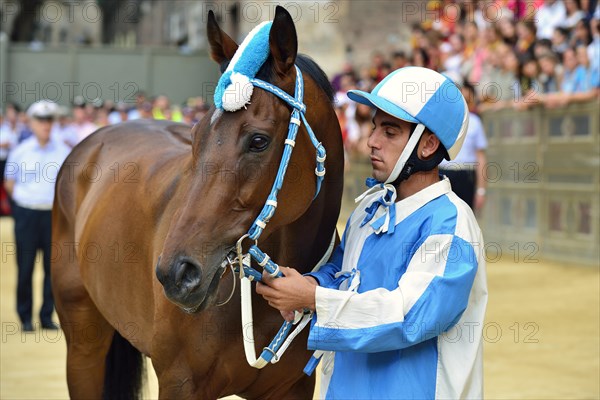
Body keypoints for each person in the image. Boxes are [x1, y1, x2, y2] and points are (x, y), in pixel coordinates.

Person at [257, 67, 488, 399]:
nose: (372, 141)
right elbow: (343, 274)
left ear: (428, 145)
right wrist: (311, 284)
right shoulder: (369, 210)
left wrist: (313, 298)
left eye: (390, 132)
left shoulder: (451, 222)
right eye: (375, 126)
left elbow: (411, 316)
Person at [4, 100, 71, 332]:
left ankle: (45, 316)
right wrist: (25, 203)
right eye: (40, 120)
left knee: (52, 270)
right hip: (27, 214)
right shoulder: (20, 151)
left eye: (49, 120)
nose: (45, 125)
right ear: (31, 123)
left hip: (53, 215)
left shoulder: (64, 151)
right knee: (25, 268)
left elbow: (69, 186)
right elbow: (10, 184)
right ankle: (24, 317)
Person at [440, 81, 488, 212]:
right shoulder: (439, 121)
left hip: (466, 175)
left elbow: (481, 157)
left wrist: (481, 190)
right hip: (443, 174)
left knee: (465, 216)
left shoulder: (474, 121)